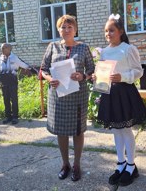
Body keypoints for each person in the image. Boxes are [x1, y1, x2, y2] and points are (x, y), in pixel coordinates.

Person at [95, 14, 146, 187]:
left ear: (121, 31)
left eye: (111, 30)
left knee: (125, 129)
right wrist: (98, 78)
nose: (108, 34)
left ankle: (131, 165)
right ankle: (120, 163)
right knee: (116, 130)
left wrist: (123, 76)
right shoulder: (104, 51)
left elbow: (138, 71)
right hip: (109, 94)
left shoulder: (128, 49)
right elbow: (103, 72)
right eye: (106, 31)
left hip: (125, 93)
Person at [40, 15, 95, 182]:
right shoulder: (52, 46)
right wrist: (50, 79)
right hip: (58, 96)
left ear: (75, 29)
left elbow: (92, 71)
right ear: (59, 30)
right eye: (63, 27)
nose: (66, 30)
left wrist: (83, 76)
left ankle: (77, 164)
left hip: (78, 97)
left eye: (69, 27)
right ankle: (65, 164)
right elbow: (43, 69)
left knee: (78, 131)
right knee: (61, 132)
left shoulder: (84, 48)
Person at [0, 43, 36, 125]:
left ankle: (15, 117)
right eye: (1, 48)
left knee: (14, 100)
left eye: (4, 48)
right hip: (4, 82)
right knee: (6, 100)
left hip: (12, 81)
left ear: (10, 49)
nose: (2, 50)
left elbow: (24, 65)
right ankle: (8, 117)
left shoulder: (14, 58)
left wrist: (36, 72)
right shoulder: (0, 58)